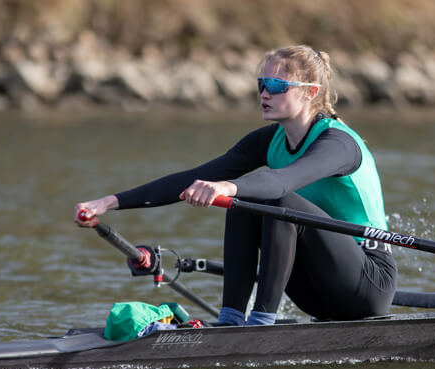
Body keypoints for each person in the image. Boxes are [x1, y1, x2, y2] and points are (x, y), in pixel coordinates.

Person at [74, 45, 397, 326]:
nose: (264, 94)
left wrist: (228, 188)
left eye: (276, 85)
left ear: (310, 92)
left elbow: (281, 181)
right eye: (261, 84)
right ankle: (232, 319)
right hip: (316, 294)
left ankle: (260, 321)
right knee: (245, 197)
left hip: (367, 285)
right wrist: (110, 202)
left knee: (269, 196)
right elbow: (193, 177)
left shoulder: (338, 144)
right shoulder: (269, 141)